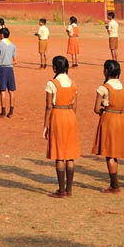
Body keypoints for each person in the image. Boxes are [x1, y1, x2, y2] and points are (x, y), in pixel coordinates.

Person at [44, 55, 80, 198]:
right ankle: (69, 189)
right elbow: (75, 105)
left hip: (57, 115)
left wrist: (45, 125)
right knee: (70, 155)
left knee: (59, 154)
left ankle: (61, 190)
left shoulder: (52, 83)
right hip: (70, 116)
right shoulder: (73, 83)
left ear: (55, 67)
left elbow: (48, 107)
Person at [92, 59, 124, 193]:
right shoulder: (123, 87)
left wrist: (105, 109)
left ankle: (114, 185)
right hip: (120, 119)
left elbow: (96, 109)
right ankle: (114, 183)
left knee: (109, 153)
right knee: (115, 153)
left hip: (109, 119)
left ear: (106, 71)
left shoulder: (103, 88)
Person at [0, 27, 17, 118]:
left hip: (2, 68)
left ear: (2, 35)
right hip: (10, 68)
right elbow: (15, 61)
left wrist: (0, 64)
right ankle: (11, 111)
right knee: (11, 90)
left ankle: (3, 111)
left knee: (2, 90)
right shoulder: (13, 45)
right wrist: (9, 62)